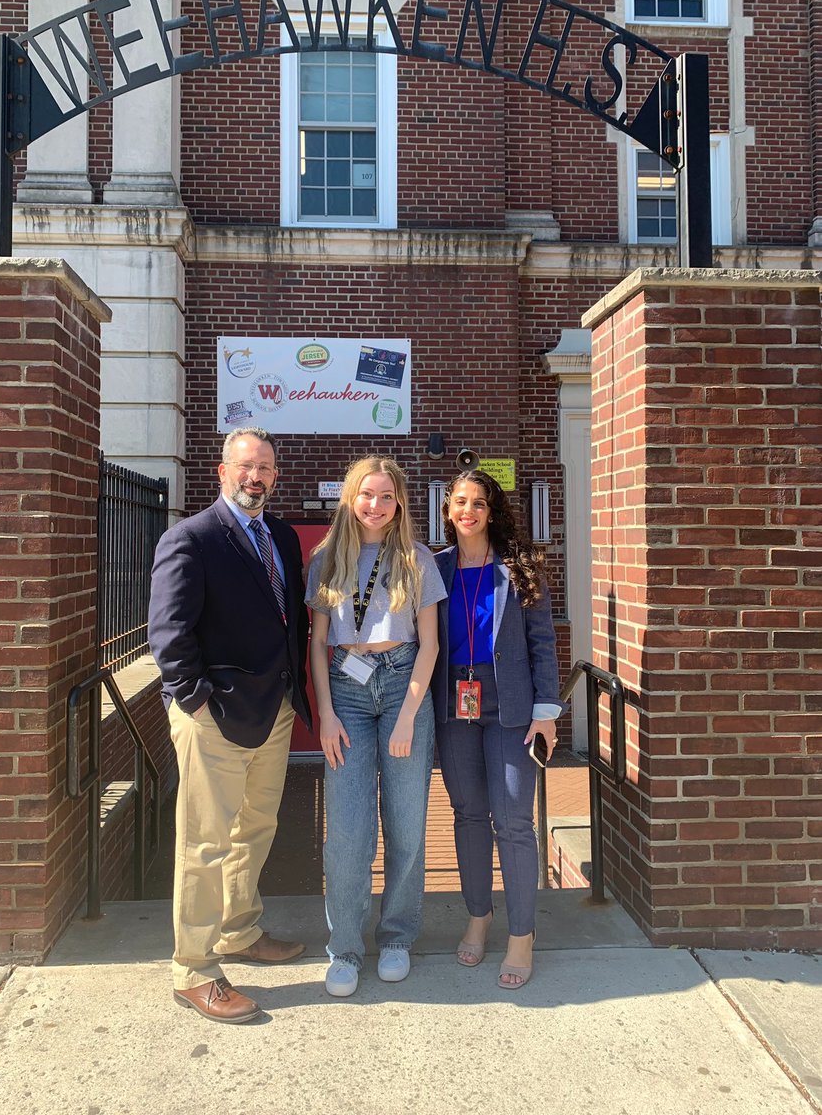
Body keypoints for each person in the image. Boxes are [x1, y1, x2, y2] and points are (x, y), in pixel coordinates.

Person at [148, 427, 311, 1024]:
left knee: (256, 828)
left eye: (266, 467)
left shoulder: (283, 537)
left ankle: (239, 930)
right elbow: (168, 633)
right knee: (205, 843)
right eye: (246, 466)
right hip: (213, 718)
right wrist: (194, 701)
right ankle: (193, 968)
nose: (256, 477)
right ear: (222, 472)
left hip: (274, 712)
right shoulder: (189, 539)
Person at [305, 456, 446, 998]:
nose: (375, 505)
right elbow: (318, 642)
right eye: (367, 494)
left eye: (387, 496)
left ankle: (396, 939)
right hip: (345, 686)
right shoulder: (327, 559)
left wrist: (409, 714)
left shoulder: (417, 559)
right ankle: (344, 948)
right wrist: (327, 715)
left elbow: (429, 643)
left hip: (403, 684)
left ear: (400, 503)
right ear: (350, 497)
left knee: (407, 823)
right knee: (347, 829)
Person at [430, 470, 564, 989]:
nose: (468, 511)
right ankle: (478, 917)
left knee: (513, 819)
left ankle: (522, 936)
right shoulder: (433, 567)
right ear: (448, 509)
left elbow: (542, 643)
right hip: (453, 702)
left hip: (510, 705)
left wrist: (546, 713)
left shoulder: (519, 567)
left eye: (478, 503)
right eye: (459, 502)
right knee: (467, 814)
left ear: (492, 511)